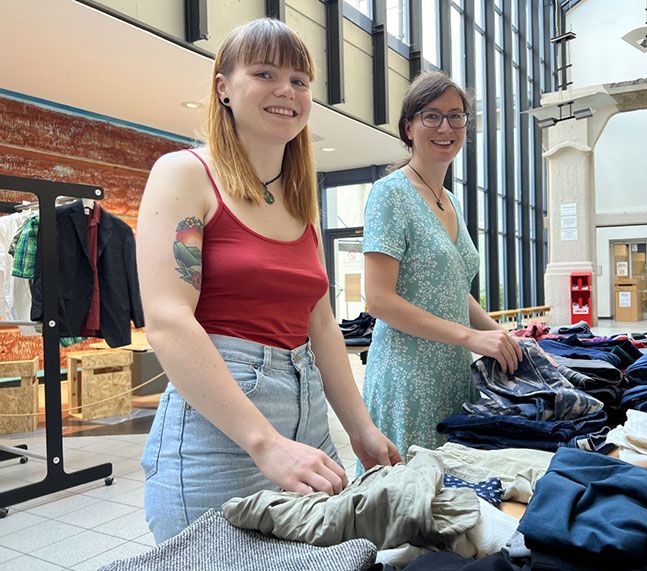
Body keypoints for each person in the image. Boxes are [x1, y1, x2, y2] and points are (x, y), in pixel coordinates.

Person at [136, 18, 400, 543]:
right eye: (264, 73)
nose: (287, 91)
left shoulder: (301, 201)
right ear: (223, 88)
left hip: (308, 417)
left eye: (300, 80)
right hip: (220, 427)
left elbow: (321, 324)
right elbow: (168, 321)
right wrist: (265, 442)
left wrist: (360, 427)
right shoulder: (185, 173)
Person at [362, 71, 524, 456]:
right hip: (408, 378)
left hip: (452, 372)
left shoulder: (449, 200)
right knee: (408, 499)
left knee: (452, 495)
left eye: (456, 116)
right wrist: (471, 338)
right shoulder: (390, 195)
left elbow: (454, 292)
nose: (445, 126)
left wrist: (504, 339)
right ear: (409, 127)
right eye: (431, 116)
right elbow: (378, 300)